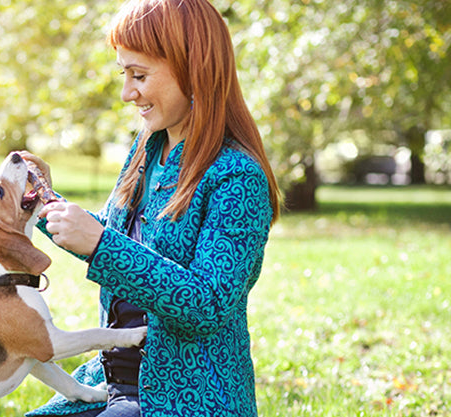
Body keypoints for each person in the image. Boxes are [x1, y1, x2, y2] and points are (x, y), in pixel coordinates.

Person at [23, 0, 281, 416]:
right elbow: (113, 234)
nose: (128, 93)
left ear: (193, 68)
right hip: (114, 382)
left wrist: (101, 246)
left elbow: (208, 304)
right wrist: (43, 201)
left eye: (139, 75)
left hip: (184, 398)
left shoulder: (237, 176)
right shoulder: (150, 145)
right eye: (124, 74)